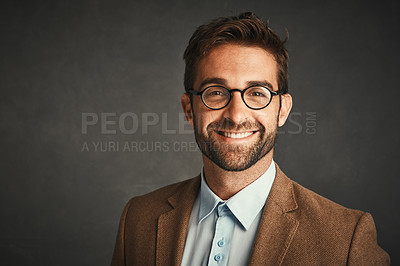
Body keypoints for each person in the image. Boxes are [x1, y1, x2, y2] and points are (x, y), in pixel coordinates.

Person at [111, 12, 390, 265]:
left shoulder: (347, 240)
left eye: (257, 92)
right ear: (189, 109)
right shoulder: (138, 218)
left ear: (282, 109)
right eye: (216, 91)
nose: (235, 115)